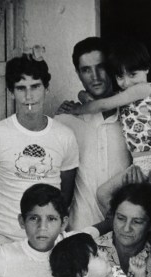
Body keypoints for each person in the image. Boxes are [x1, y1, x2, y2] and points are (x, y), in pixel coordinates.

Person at [0, 55, 79, 249]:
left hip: (48, 239)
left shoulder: (65, 136)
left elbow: (65, 195)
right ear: (11, 92)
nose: (29, 96)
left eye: (35, 86)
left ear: (46, 88)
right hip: (2, 236)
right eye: (21, 88)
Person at [61, 39, 151, 179]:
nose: (127, 82)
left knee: (104, 194)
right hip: (140, 163)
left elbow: (101, 104)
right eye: (120, 76)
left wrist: (77, 109)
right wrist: (81, 96)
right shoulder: (124, 97)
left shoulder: (142, 90)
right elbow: (96, 101)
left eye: (133, 74)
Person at [56, 37, 131, 230]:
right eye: (86, 70)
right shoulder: (65, 123)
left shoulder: (133, 119)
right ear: (78, 74)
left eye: (101, 67)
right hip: (80, 232)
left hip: (126, 234)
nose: (95, 76)